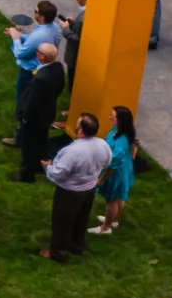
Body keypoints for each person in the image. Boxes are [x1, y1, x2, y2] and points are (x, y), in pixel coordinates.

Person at [43, 112, 109, 261]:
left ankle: (57, 252)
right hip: (89, 189)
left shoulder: (72, 151)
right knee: (81, 218)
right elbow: (107, 162)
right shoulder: (103, 145)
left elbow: (59, 174)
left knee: (62, 222)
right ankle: (76, 245)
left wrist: (48, 167)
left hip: (69, 192)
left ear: (80, 130)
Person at [14, 41, 64, 185]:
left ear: (43, 57)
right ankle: (40, 165)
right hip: (47, 114)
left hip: (35, 118)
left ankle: (26, 174)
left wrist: (25, 117)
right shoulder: (58, 68)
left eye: (39, 51)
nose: (36, 52)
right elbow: (60, 88)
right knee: (41, 141)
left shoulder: (40, 80)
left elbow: (32, 102)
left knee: (29, 145)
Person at [91, 107, 137, 236]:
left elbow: (113, 165)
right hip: (124, 168)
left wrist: (101, 179)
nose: (110, 117)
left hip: (116, 173)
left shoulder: (120, 141)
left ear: (120, 120)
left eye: (113, 116)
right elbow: (133, 149)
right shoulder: (124, 132)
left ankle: (105, 227)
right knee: (119, 196)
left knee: (111, 201)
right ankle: (114, 220)